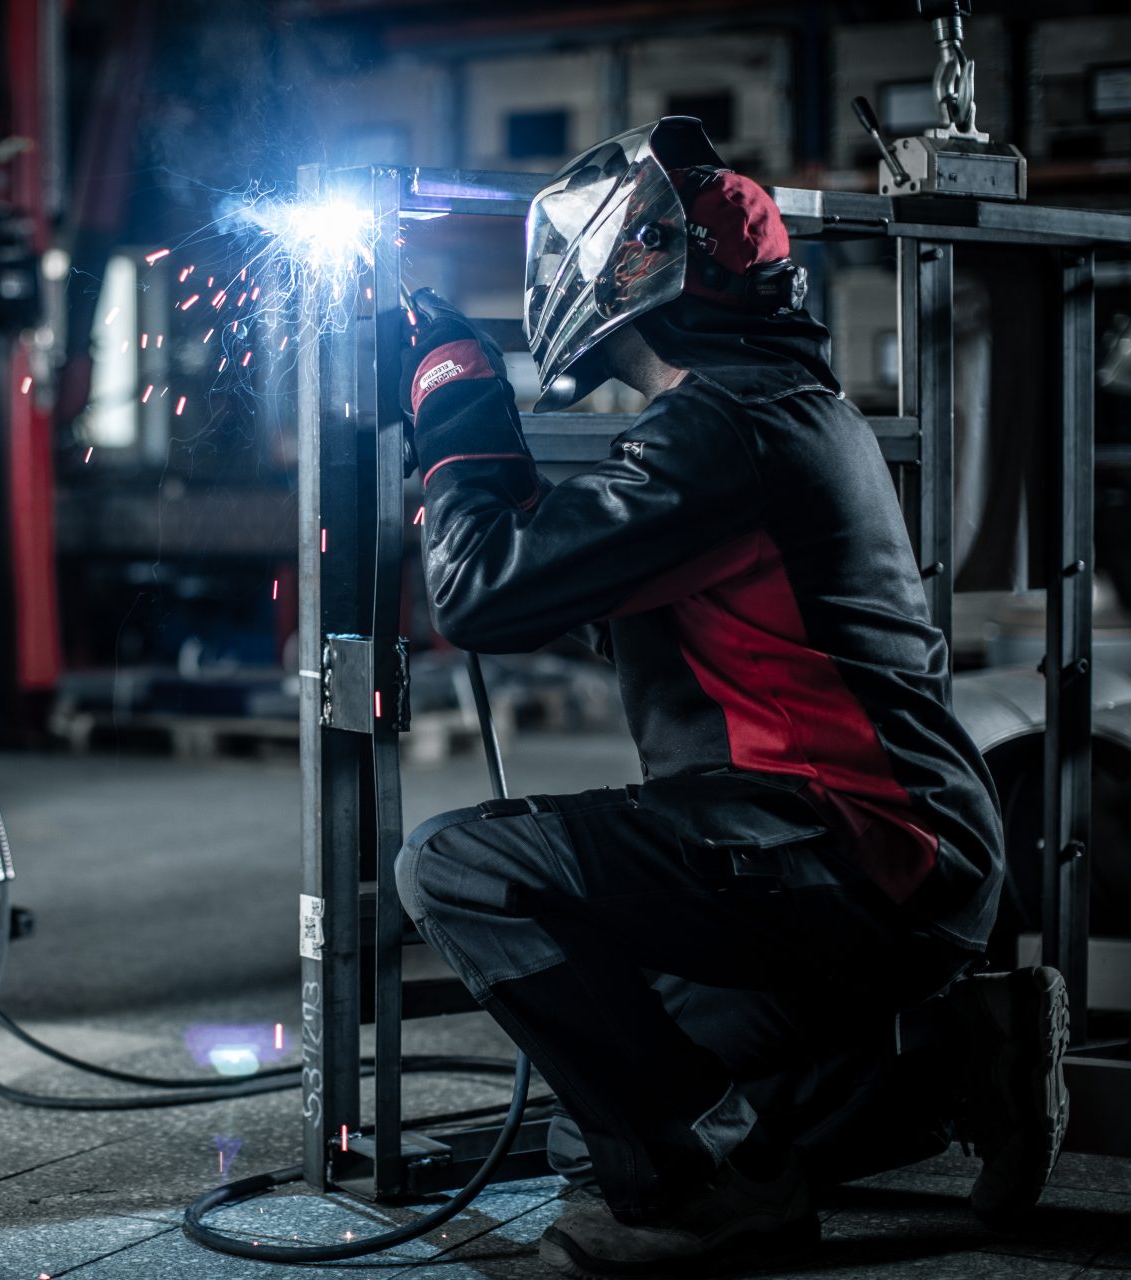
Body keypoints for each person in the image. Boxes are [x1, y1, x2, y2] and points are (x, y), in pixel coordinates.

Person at [392, 117, 1069, 1277]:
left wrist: (454, 397)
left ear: (640, 268)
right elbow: (589, 593)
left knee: (460, 868)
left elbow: (480, 593)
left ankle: (721, 1194)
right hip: (893, 862)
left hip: (849, 849)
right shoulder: (777, 404)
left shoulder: (723, 426)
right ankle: (959, 1054)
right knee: (596, 1126)